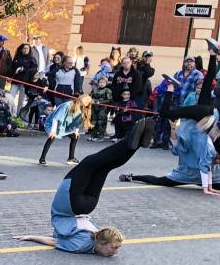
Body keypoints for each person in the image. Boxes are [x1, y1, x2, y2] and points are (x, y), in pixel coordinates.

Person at [15, 118, 154, 255]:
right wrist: (32, 237)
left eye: (115, 248)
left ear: (101, 242)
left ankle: (135, 144)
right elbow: (54, 241)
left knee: (103, 166)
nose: (116, 252)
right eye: (115, 247)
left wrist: (31, 237)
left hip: (84, 206)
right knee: (92, 163)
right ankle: (131, 142)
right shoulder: (82, 244)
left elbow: (53, 241)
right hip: (71, 206)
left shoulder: (91, 239)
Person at [120, 100, 220, 195]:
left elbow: (177, 150)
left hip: (189, 174)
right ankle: (133, 177)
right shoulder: (200, 137)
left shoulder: (194, 135)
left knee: (159, 180)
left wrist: (208, 186)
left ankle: (132, 177)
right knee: (159, 180)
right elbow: (204, 163)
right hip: (188, 174)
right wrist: (207, 188)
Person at [38, 94, 90, 166]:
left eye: (88, 102)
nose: (86, 102)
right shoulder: (67, 105)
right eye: (85, 100)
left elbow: (77, 122)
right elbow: (56, 118)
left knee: (75, 136)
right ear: (80, 99)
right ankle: (42, 159)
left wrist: (76, 131)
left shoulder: (82, 109)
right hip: (54, 123)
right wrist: (53, 131)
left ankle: (71, 158)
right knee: (52, 137)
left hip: (64, 126)